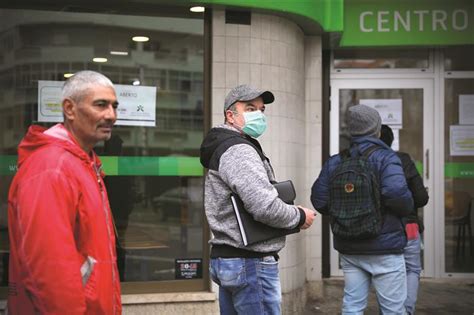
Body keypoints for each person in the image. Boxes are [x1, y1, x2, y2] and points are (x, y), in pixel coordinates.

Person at [7, 70, 122, 314]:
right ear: (69, 109)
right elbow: (49, 270)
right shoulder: (51, 168)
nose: (111, 115)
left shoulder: (84, 163)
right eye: (100, 105)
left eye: (114, 106)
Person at [200, 84, 316, 314]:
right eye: (250, 108)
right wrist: (299, 216)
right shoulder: (238, 150)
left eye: (261, 110)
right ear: (230, 115)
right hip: (250, 263)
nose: (259, 115)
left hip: (232, 259)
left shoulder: (227, 146)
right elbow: (264, 206)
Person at [311, 104, 414, 315]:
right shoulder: (387, 158)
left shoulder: (335, 161)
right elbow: (397, 196)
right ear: (376, 129)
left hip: (349, 246)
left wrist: (347, 212)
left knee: (352, 306)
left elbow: (319, 201)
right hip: (385, 247)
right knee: (393, 310)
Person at [380, 124, 429, 315]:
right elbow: (421, 198)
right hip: (408, 225)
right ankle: (406, 311)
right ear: (391, 142)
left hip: (382, 227)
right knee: (412, 269)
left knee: (387, 272)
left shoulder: (368, 161)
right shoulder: (403, 160)